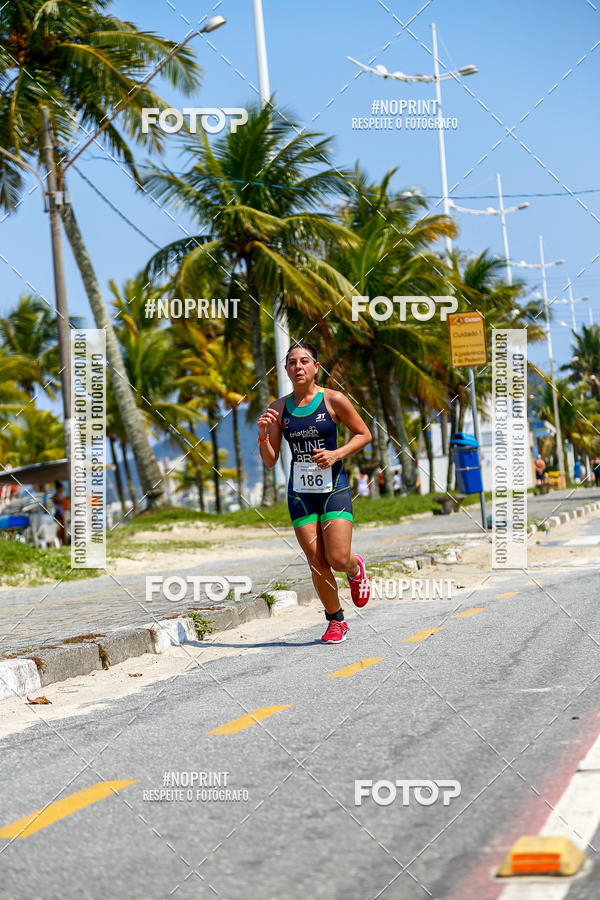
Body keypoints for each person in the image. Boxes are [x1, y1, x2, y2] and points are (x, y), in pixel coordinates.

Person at [257, 341, 372, 644]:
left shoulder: (333, 400)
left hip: (333, 487)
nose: (298, 367)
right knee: (316, 560)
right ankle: (336, 620)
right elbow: (270, 460)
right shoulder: (278, 409)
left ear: (315, 367)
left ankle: (354, 566)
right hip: (300, 493)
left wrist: (336, 454)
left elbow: (364, 434)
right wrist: (262, 436)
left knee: (336, 558)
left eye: (304, 361)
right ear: (286, 370)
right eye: (292, 362)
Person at [52, 481, 66, 545]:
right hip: (57, 515)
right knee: (59, 530)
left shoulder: (62, 495)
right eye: (61, 488)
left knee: (63, 530)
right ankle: (59, 543)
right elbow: (61, 502)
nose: (62, 489)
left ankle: (63, 542)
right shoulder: (56, 496)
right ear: (59, 488)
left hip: (62, 514)